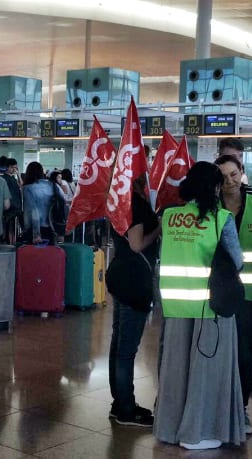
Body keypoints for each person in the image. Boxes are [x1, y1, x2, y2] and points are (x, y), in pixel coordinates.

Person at [154, 161, 246, 451]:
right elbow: (237, 261)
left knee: (175, 372)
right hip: (211, 307)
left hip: (176, 305)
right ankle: (197, 432)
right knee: (207, 373)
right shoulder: (222, 219)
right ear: (216, 187)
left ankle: (170, 428)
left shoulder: (168, 216)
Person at [215, 154, 252, 434]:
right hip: (216, 290)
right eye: (223, 176)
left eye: (233, 174)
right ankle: (217, 406)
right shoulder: (210, 206)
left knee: (244, 351)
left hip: (250, 291)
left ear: (242, 173)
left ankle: (241, 409)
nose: (229, 181)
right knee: (216, 349)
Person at [106, 172, 159, 427]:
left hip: (119, 273)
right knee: (126, 350)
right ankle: (126, 409)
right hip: (134, 279)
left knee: (118, 345)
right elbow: (137, 244)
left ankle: (119, 402)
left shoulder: (117, 200)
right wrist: (158, 227)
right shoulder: (135, 204)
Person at [22, 161, 64, 245]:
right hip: (53, 228)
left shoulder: (28, 188)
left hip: (36, 229)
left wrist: (36, 234)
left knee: (36, 256)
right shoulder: (53, 185)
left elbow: (33, 211)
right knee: (49, 256)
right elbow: (62, 202)